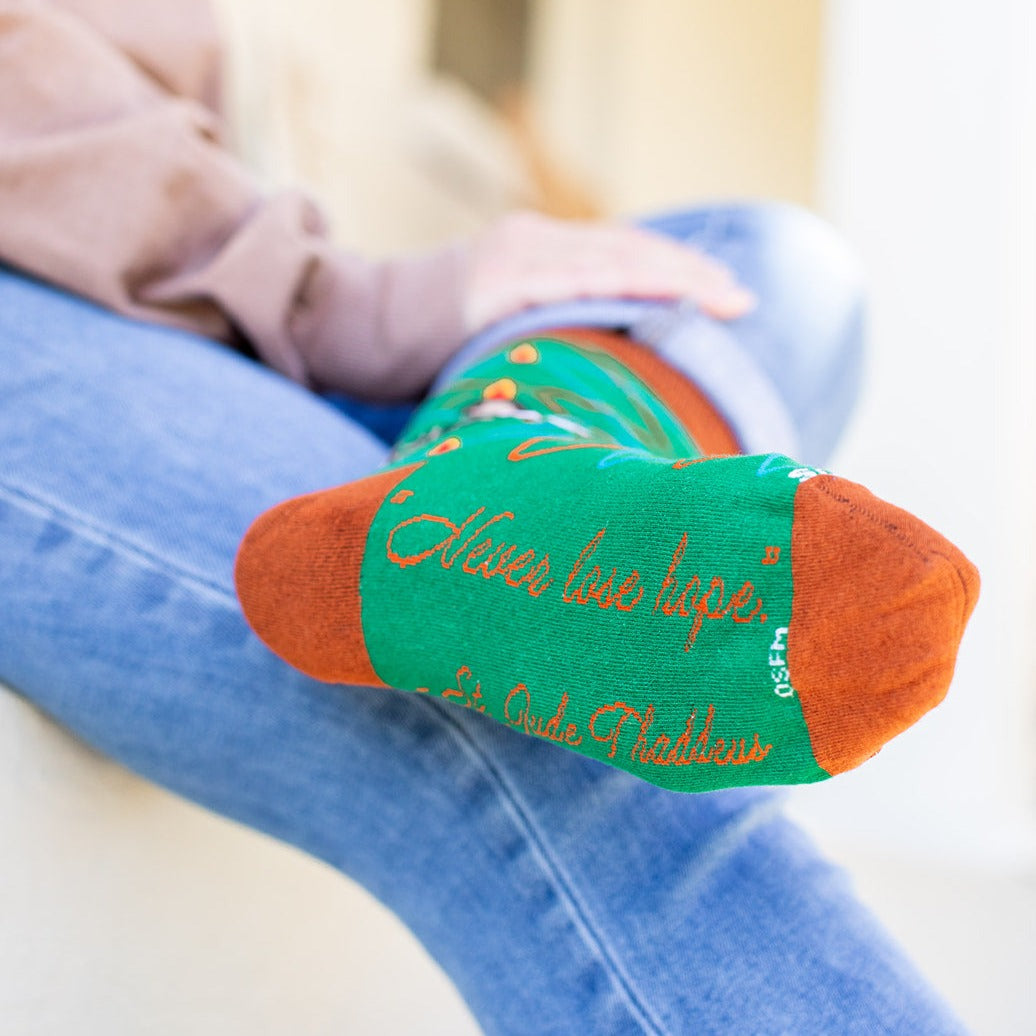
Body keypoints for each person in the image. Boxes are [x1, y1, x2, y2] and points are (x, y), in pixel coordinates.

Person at [0, 1, 973, 1031]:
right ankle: (498, 490)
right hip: (65, 303)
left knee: (774, 269)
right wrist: (333, 297)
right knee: (534, 696)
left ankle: (511, 444)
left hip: (192, 297)